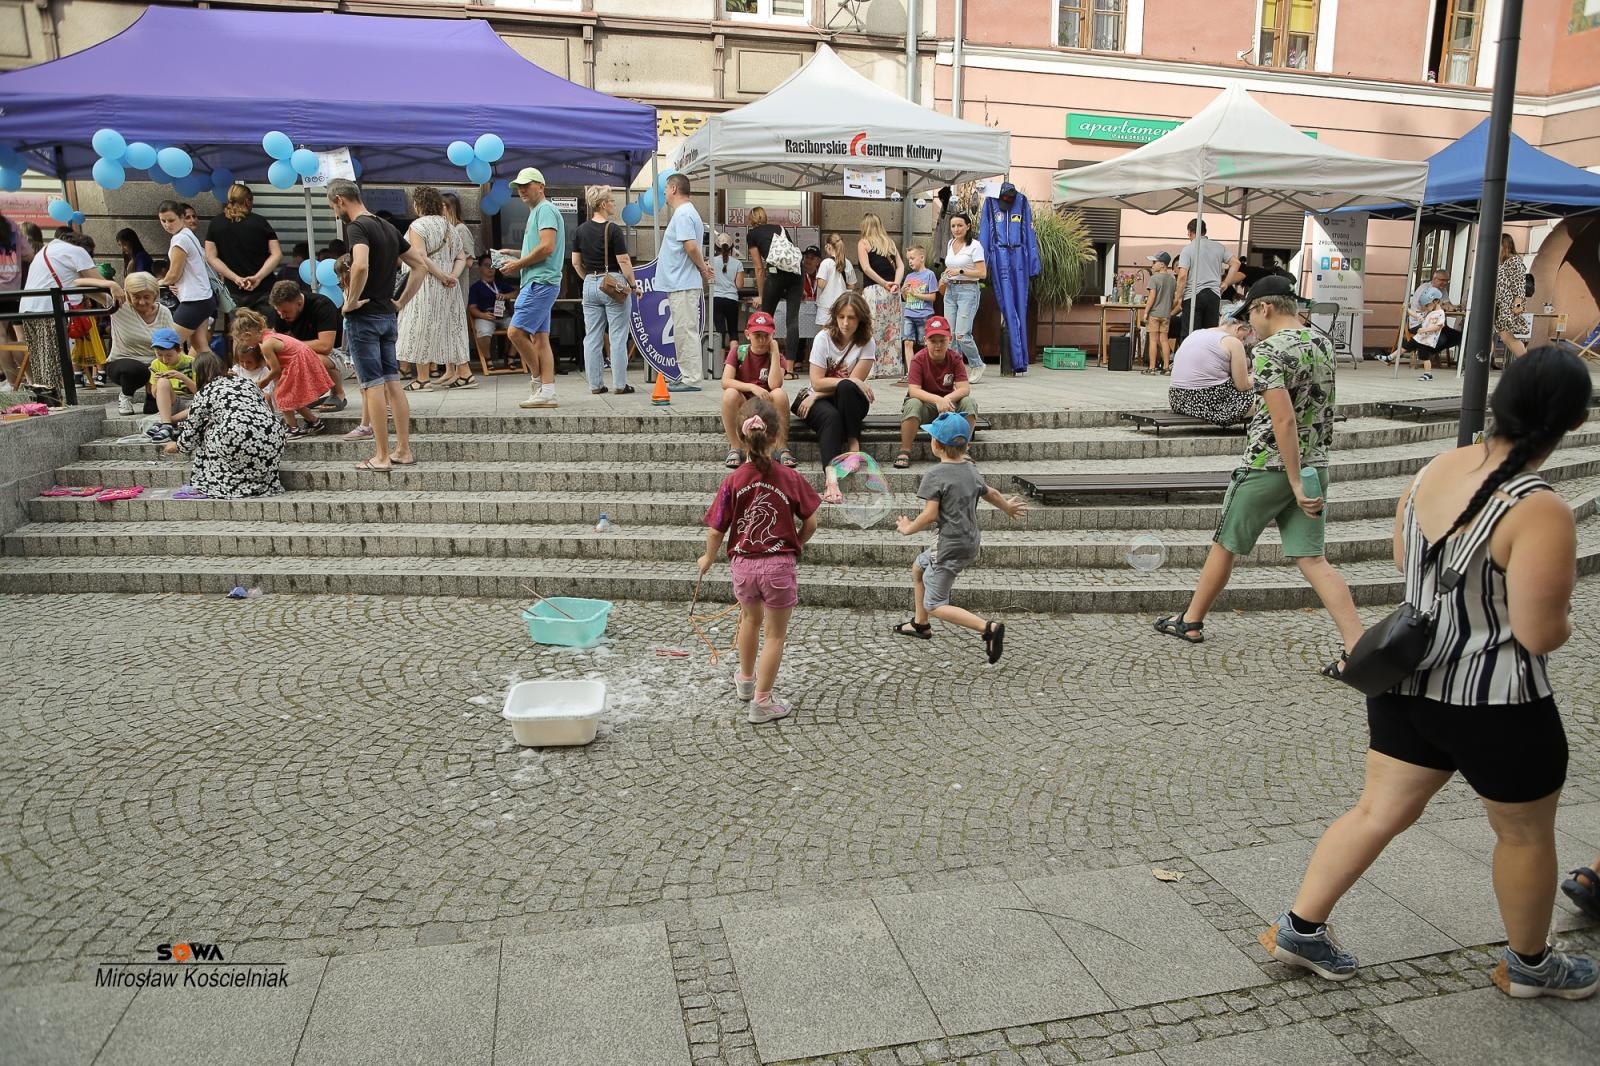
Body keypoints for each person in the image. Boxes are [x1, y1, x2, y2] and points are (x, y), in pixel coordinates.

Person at [1261, 346, 1596, 1001]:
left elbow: (1400, 557)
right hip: (1497, 702)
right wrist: (1564, 623)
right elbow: (1537, 631)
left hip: (1406, 683)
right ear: (1570, 423)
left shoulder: (1435, 468)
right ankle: (1532, 965)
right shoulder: (1538, 506)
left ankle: (1301, 928)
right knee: (1523, 833)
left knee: (1376, 811)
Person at [1154, 276, 1361, 669]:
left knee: (1225, 543)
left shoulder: (1271, 349)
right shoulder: (1322, 343)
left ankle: (1191, 620)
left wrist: (1294, 479)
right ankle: (1357, 645)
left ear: (1264, 307)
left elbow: (1281, 420)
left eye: (1250, 313)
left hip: (1267, 465)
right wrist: (1304, 477)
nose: (1251, 324)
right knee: (1314, 559)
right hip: (1316, 462)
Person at [698, 394, 820, 725]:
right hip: (778, 565)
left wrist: (708, 558)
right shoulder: (791, 478)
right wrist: (799, 542)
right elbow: (811, 521)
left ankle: (745, 680)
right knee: (775, 635)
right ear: (778, 436)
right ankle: (762, 702)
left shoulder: (732, 479)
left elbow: (715, 530)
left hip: (742, 566)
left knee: (749, 621)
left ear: (740, 436)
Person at [892, 411, 1027, 662]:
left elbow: (931, 514)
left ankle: (988, 629)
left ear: (935, 444)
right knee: (918, 568)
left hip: (947, 546)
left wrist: (908, 528)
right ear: (967, 444)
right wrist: (1007, 507)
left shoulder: (934, 475)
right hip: (969, 541)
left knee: (936, 604)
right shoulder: (971, 469)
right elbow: (992, 493)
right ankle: (921, 624)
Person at [328, 178, 426, 471]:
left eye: (333, 207)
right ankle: (403, 450)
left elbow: (359, 265)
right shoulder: (387, 227)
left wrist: (351, 301)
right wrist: (401, 302)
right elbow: (419, 265)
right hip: (387, 314)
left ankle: (381, 455)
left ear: (340, 200)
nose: (335, 213)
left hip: (365, 317)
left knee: (371, 385)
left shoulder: (357, 227)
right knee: (393, 383)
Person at [165, 351, 288, 499]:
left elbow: (192, 432)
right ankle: (257, 482)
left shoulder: (205, 392)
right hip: (273, 437)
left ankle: (210, 482)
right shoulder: (246, 382)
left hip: (237, 437)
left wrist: (178, 445)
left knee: (207, 431)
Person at [19, 231, 122, 398]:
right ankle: (53, 402)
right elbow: (98, 283)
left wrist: (109, 303)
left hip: (28, 309)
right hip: (49, 309)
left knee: (41, 360)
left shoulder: (48, 250)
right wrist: (116, 299)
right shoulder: (78, 251)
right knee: (52, 360)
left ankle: (46, 400)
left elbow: (85, 287)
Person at [797, 292, 876, 504]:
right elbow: (816, 382)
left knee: (848, 387)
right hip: (820, 400)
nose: (845, 322)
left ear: (860, 319)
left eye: (851, 317)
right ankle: (831, 482)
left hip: (849, 401)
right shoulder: (823, 338)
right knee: (831, 418)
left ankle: (853, 444)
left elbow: (850, 387)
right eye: (841, 317)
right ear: (834, 316)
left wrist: (854, 382)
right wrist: (814, 397)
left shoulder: (867, 342)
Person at [499, 168, 565, 409]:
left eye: (527, 184)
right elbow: (546, 248)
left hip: (539, 281)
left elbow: (547, 247)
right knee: (540, 338)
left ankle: (539, 382)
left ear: (541, 186)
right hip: (542, 281)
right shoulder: (541, 211)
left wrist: (518, 263)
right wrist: (515, 254)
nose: (522, 189)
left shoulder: (545, 209)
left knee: (515, 332)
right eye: (519, 186)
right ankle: (547, 391)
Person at [395, 186, 469, 391]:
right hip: (449, 286)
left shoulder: (418, 226)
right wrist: (452, 276)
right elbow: (461, 257)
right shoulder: (449, 226)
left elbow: (420, 257)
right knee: (451, 327)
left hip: (425, 283)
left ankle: (422, 378)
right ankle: (464, 373)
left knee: (421, 325)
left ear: (418, 204)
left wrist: (442, 276)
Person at [572, 184, 639, 396]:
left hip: (590, 284)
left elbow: (575, 262)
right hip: (612, 284)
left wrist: (590, 279)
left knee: (592, 336)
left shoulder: (580, 230)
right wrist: (633, 285)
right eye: (611, 200)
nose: (613, 204)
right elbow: (624, 260)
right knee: (618, 335)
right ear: (602, 204)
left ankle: (595, 384)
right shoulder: (613, 229)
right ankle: (620, 384)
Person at [229, 307, 333, 437]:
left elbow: (275, 370)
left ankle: (292, 428)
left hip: (297, 364)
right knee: (291, 398)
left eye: (244, 341)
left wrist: (263, 382)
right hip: (297, 362)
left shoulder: (266, 344)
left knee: (281, 395)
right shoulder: (269, 336)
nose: (247, 345)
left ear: (248, 335)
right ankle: (314, 422)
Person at [896, 316, 978, 469]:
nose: (938, 346)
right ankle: (905, 450)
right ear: (925, 340)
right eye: (933, 341)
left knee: (969, 402)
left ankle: (963, 449)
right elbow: (913, 390)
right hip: (926, 406)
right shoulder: (918, 360)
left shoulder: (955, 358)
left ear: (950, 339)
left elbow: (964, 388)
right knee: (913, 404)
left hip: (948, 407)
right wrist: (936, 400)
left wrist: (946, 398)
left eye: (942, 340)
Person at [659, 173, 713, 392]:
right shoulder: (688, 213)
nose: (663, 193)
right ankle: (688, 375)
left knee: (685, 330)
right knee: (684, 329)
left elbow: (690, 246)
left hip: (682, 282)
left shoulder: (682, 214)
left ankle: (691, 378)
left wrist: (702, 268)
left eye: (665, 188)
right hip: (681, 281)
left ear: (673, 188)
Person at [719, 311, 793, 469]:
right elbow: (725, 381)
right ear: (747, 334)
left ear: (773, 336)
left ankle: (781, 447)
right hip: (744, 403)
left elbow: (775, 385)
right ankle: (735, 447)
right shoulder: (739, 351)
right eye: (757, 335)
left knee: (780, 394)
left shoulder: (778, 356)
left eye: (766, 336)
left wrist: (774, 353)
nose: (762, 340)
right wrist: (752, 387)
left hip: (766, 404)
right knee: (730, 394)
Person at [269, 280, 350, 414]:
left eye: (286, 311)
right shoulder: (281, 311)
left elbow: (325, 346)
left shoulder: (322, 305)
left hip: (340, 355)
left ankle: (337, 392)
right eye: (279, 312)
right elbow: (279, 342)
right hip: (305, 351)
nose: (282, 316)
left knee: (313, 358)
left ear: (299, 303)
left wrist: (291, 346)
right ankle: (304, 395)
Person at [103, 271, 177, 415]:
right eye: (136, 297)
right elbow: (79, 282)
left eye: (146, 297)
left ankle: (151, 395)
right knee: (136, 369)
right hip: (124, 364)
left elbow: (171, 343)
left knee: (153, 410)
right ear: (128, 295)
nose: (142, 302)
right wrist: (111, 284)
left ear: (155, 295)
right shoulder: (119, 306)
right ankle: (125, 396)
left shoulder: (164, 312)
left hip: (155, 365)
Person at [205, 185, 281, 314]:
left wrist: (235, 278)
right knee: (267, 331)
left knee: (240, 332)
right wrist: (258, 277)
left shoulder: (215, 224)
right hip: (264, 288)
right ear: (247, 200)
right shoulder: (260, 222)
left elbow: (211, 257)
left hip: (234, 289)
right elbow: (277, 254)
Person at [746, 207, 804, 371]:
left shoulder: (752, 235)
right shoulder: (781, 228)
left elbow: (759, 268)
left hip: (776, 274)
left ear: (751, 220)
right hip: (796, 274)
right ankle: (790, 369)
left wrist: (760, 295)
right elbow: (790, 255)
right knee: (792, 320)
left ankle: (764, 363)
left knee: (764, 318)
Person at [1167, 320, 1255, 426]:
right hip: (1209, 402)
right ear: (1238, 328)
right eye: (1244, 338)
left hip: (1177, 399)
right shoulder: (1233, 342)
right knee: (1269, 396)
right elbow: (1243, 385)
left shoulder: (1196, 334)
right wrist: (1259, 374)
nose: (1243, 342)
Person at [156, 199, 214, 357]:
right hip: (203, 298)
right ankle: (216, 377)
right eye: (163, 221)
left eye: (171, 220)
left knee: (166, 347)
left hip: (194, 300)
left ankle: (163, 380)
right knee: (201, 347)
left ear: (182, 217)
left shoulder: (180, 239)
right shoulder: (187, 235)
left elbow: (174, 273)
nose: (167, 224)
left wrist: (156, 285)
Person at [1173, 220, 1242, 341]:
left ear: (1189, 232)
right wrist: (1226, 282)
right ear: (1205, 231)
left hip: (1193, 295)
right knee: (1210, 335)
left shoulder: (1188, 249)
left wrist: (1178, 297)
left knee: (1190, 336)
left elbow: (1182, 276)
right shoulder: (1219, 247)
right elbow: (1236, 263)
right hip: (1214, 295)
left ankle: (1190, 359)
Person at [436, 192, 478, 389]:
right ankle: (450, 370)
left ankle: (461, 371)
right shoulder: (446, 230)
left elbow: (469, 260)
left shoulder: (461, 229)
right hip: (447, 286)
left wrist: (450, 271)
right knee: (446, 327)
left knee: (454, 327)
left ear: (447, 207)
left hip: (457, 286)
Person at [857, 213, 904, 379]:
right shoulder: (889, 242)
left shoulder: (864, 243)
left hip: (874, 291)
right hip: (893, 292)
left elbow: (866, 268)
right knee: (892, 329)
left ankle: (871, 369)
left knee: (872, 328)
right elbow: (900, 266)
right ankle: (891, 367)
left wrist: (884, 283)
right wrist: (896, 283)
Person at [941, 212, 985, 381]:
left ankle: (976, 364)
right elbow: (949, 267)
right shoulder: (951, 243)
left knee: (962, 334)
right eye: (953, 226)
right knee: (949, 335)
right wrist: (945, 277)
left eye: (960, 225)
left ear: (968, 226)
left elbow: (982, 273)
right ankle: (954, 370)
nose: (956, 229)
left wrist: (960, 271)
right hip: (951, 290)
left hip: (968, 291)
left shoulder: (975, 246)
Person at [142, 328, 196, 442]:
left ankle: (165, 422)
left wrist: (182, 377)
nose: (164, 359)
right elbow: (154, 394)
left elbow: (201, 392)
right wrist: (157, 382)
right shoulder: (155, 364)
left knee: (200, 408)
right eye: (159, 355)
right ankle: (167, 425)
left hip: (191, 401)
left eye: (169, 355)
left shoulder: (192, 362)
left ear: (179, 350)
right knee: (162, 381)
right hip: (171, 402)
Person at [468, 256, 516, 371]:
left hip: (503, 316)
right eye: (487, 265)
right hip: (485, 316)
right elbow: (472, 308)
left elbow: (516, 292)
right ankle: (488, 359)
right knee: (483, 331)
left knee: (520, 328)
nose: (490, 268)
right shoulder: (475, 287)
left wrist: (505, 296)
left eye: (493, 266)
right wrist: (482, 315)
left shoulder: (500, 284)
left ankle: (510, 357)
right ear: (479, 268)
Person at [900, 245, 937, 370]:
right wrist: (903, 292)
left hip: (924, 315)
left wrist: (918, 294)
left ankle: (927, 369)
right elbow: (906, 298)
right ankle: (911, 372)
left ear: (921, 258)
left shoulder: (929, 275)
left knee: (924, 343)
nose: (910, 261)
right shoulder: (909, 277)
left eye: (912, 258)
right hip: (909, 314)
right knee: (907, 342)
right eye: (908, 259)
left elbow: (933, 297)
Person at [1495, 233, 1529, 362]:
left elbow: (1519, 282)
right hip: (1501, 304)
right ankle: (1525, 363)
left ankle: (1527, 363)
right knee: (1505, 336)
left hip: (1508, 303)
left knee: (1508, 336)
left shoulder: (1513, 261)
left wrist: (1518, 303)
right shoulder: (1504, 262)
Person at [1142, 251, 1177, 374]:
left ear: (1162, 265)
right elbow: (1174, 298)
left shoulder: (1154, 278)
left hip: (1154, 313)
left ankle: (1152, 367)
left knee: (1153, 340)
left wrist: (1146, 312)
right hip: (1166, 314)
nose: (1152, 265)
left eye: (1154, 262)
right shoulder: (1172, 280)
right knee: (1164, 340)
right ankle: (1166, 367)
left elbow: (1152, 296)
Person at [711, 233, 745, 356]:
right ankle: (733, 363)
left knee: (720, 332)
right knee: (733, 332)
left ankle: (720, 367)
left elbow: (707, 281)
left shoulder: (710, 262)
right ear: (731, 248)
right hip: (732, 300)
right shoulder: (738, 264)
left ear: (716, 248)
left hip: (716, 299)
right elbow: (740, 285)